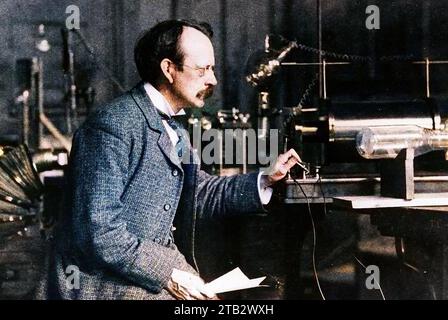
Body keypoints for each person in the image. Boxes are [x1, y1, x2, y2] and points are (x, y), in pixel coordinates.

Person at [35, 19, 301, 300]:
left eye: (211, 69)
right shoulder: (112, 126)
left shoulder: (174, 128)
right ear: (168, 69)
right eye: (202, 70)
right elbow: (99, 233)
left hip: (143, 270)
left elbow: (198, 191)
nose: (212, 80)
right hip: (99, 283)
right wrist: (169, 275)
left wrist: (265, 179)